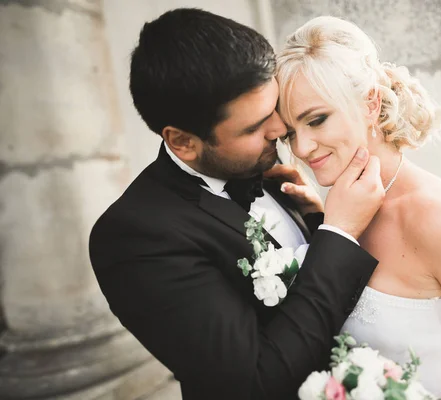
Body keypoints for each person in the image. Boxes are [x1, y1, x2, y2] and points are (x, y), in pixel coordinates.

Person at [88, 9, 386, 400]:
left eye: (273, 109)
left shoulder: (263, 166)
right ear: (182, 142)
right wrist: (340, 234)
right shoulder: (134, 238)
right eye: (253, 127)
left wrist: (316, 222)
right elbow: (252, 384)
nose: (282, 133)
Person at [276, 16, 441, 399]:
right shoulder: (341, 205)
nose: (302, 147)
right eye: (289, 131)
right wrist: (320, 224)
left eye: (317, 120)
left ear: (370, 104)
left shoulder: (432, 218)